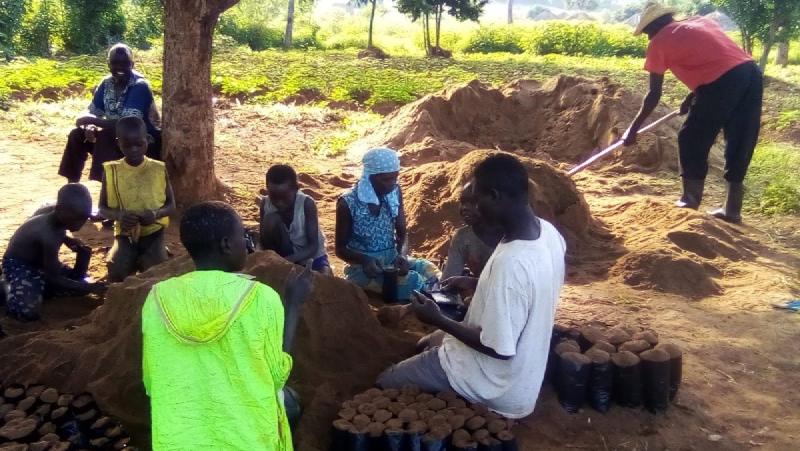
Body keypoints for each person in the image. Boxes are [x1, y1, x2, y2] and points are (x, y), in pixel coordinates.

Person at [377, 154, 566, 419]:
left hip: (493, 383)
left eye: (477, 200)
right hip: (525, 374)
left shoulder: (511, 264)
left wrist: (437, 319)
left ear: (495, 196)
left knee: (385, 382)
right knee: (424, 344)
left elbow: (498, 349)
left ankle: (461, 397)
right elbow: (530, 291)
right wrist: (477, 283)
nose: (473, 208)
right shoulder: (548, 234)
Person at [142, 201, 313, 450]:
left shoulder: (157, 298)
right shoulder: (260, 297)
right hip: (246, 440)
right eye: (243, 235)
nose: (247, 243)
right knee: (290, 403)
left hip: (178, 438)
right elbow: (276, 377)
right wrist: (294, 304)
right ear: (226, 244)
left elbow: (151, 381)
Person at [623, 2, 763, 224]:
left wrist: (632, 129)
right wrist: (695, 94)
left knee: (691, 138)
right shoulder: (700, 21)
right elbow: (719, 60)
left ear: (654, 26)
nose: (648, 38)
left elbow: (653, 94)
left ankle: (689, 200)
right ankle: (732, 209)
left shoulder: (659, 41)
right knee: (741, 137)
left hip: (723, 82)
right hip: (751, 73)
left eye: (648, 32)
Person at [335, 147, 440, 301]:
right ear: (369, 176)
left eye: (395, 178)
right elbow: (340, 249)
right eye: (386, 179)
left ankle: (435, 297)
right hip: (364, 269)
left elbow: (402, 234)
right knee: (414, 282)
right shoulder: (347, 203)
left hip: (391, 260)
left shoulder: (394, 192)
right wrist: (365, 260)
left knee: (430, 269)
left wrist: (402, 255)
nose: (392, 184)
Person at [1, 184, 106, 321]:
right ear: (59, 209)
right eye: (75, 219)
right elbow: (53, 277)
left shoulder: (51, 211)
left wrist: (69, 240)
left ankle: (38, 285)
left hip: (44, 263)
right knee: (26, 312)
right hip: (19, 264)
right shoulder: (49, 235)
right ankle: (6, 285)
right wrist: (91, 288)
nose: (80, 224)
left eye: (84, 218)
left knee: (79, 282)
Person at [59, 43, 161, 183]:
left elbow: (127, 124)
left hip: (141, 142)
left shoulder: (140, 85)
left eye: (124, 63)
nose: (120, 67)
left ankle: (105, 186)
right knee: (77, 135)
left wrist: (92, 121)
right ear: (108, 64)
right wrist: (89, 126)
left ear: (132, 64)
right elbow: (94, 111)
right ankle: (71, 184)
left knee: (106, 134)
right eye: (115, 63)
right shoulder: (106, 83)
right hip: (118, 140)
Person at [99, 116, 175, 282]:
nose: (133, 149)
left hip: (154, 231)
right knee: (118, 270)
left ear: (147, 140)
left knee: (155, 271)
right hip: (125, 232)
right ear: (118, 143)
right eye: (127, 145)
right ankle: (118, 250)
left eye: (139, 144)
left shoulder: (158, 169)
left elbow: (171, 205)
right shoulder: (111, 170)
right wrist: (119, 216)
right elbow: (102, 208)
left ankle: (159, 249)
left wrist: (156, 214)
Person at [259, 164, 331, 274]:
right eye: (274, 196)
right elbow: (263, 238)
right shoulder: (265, 203)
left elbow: (313, 247)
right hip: (283, 254)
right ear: (267, 190)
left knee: (324, 279)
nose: (279, 203)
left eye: (284, 197)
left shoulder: (307, 204)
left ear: (296, 189)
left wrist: (284, 262)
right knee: (270, 219)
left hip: (309, 256)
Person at [441, 181, 503, 280]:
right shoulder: (462, 237)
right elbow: (447, 280)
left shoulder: (511, 234)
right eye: (462, 202)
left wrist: (471, 284)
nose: (464, 208)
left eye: (472, 202)